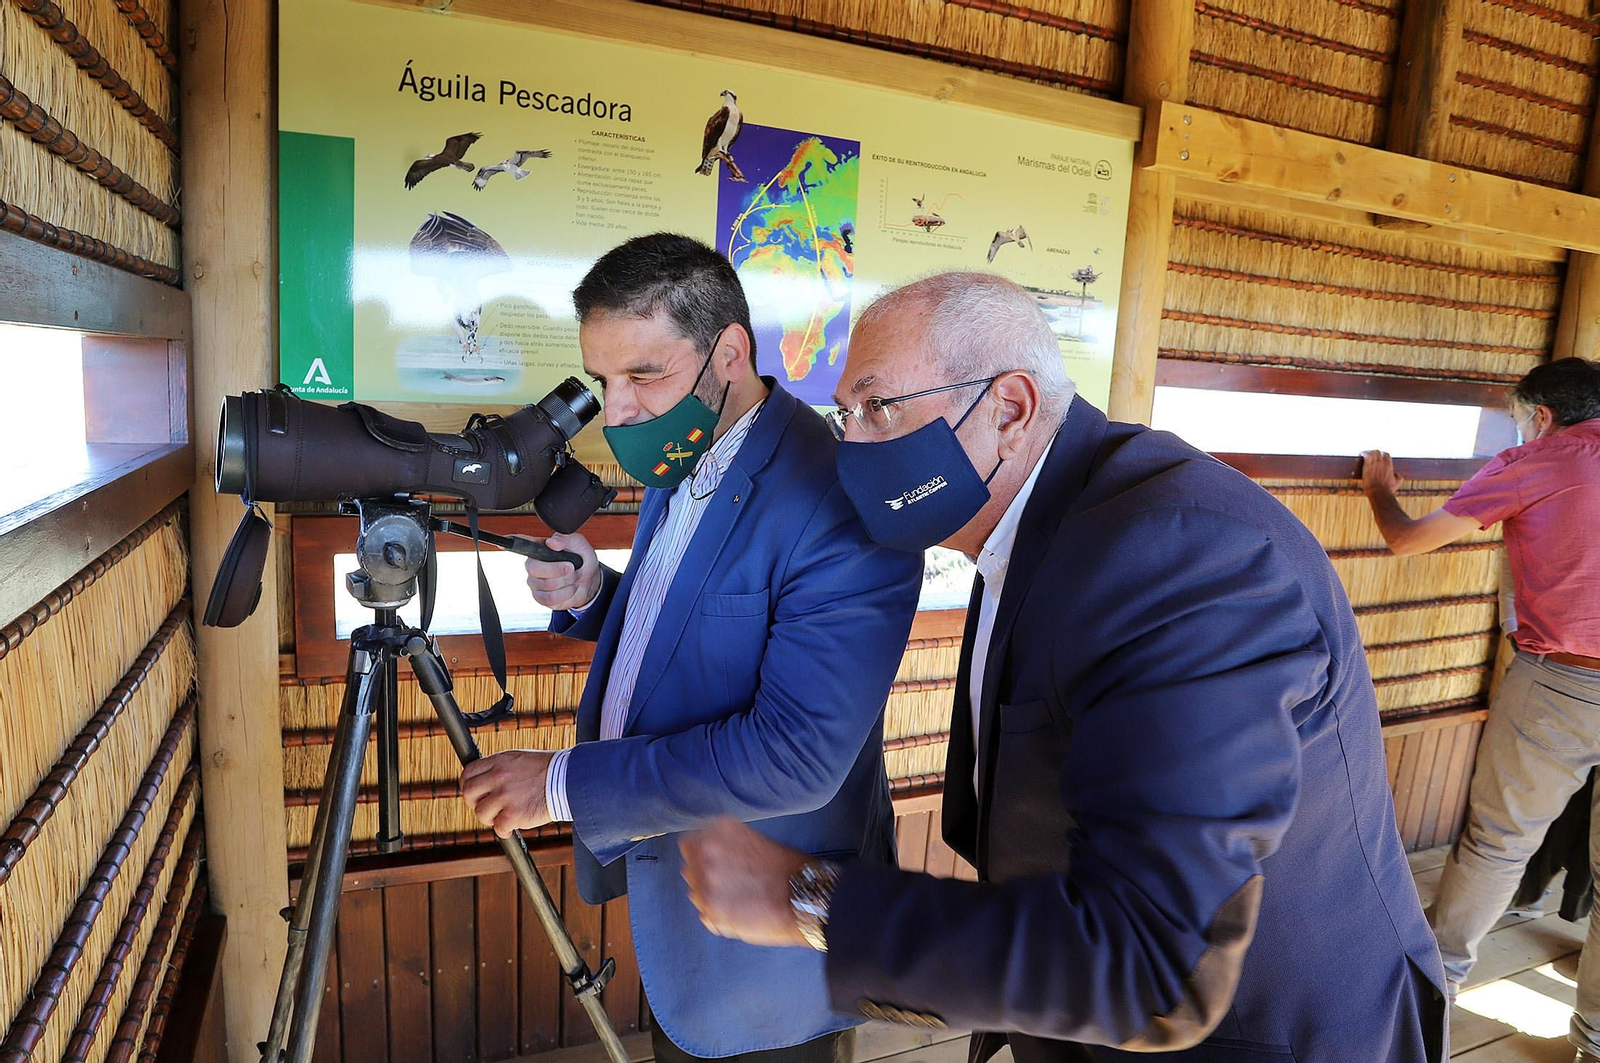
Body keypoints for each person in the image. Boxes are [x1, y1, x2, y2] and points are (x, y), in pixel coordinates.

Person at [677, 271, 1447, 1063]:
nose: (853, 446)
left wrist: (808, 900)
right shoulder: (1033, 529)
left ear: (1009, 409)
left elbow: (1158, 963)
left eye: (879, 407)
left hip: (1263, 1039)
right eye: (847, 415)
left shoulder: (1183, 558)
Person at [459, 234, 922, 1063]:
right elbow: (693, 619)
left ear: (730, 352)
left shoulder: (838, 501)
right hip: (679, 888)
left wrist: (564, 782)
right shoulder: (689, 451)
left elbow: (798, 754)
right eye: (603, 380)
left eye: (644, 374)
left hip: (769, 937)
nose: (621, 407)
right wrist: (597, 592)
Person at [1358, 357, 1600, 1063]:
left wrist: (1380, 491)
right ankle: (1593, 1040)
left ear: (1543, 415)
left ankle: (1431, 992)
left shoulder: (1535, 460)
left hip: (1561, 683)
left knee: (1496, 844)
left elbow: (1407, 539)